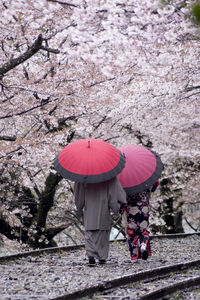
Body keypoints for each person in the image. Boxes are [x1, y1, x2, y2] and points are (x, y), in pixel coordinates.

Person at [74, 177, 126, 267]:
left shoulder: (81, 176)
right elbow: (113, 194)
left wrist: (79, 207)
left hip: (89, 206)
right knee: (103, 232)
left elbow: (79, 195)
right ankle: (102, 256)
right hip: (103, 207)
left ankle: (91, 256)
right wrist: (116, 209)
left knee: (89, 233)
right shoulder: (109, 176)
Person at [120, 180, 159, 262]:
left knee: (131, 233)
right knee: (143, 231)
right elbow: (156, 183)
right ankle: (143, 245)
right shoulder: (144, 177)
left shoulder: (126, 179)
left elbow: (121, 195)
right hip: (143, 208)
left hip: (131, 210)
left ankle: (134, 256)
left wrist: (121, 208)